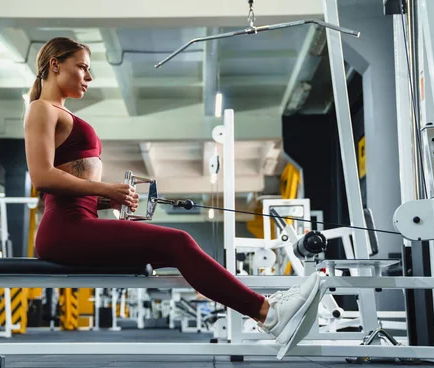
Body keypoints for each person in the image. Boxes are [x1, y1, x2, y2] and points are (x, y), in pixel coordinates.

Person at [23, 37, 322, 345]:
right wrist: (105, 187)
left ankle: (267, 311)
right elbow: (43, 177)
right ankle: (269, 314)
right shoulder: (41, 110)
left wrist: (109, 197)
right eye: (83, 67)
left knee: (173, 246)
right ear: (55, 64)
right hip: (64, 230)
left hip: (78, 224)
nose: (89, 77)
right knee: (177, 241)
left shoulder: (60, 114)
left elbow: (72, 189)